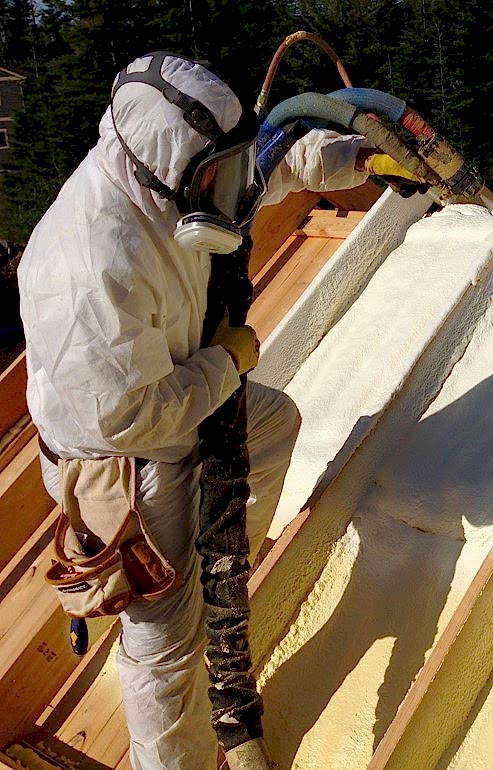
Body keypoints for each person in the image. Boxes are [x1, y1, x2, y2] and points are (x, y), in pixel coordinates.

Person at [18, 52, 420, 770]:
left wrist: (357, 159)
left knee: (272, 424)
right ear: (166, 168)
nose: (222, 191)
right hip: (125, 466)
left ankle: (217, 578)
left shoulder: (168, 181)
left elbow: (261, 170)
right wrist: (226, 363)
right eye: (210, 176)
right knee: (163, 650)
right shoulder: (89, 269)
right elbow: (132, 419)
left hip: (172, 399)